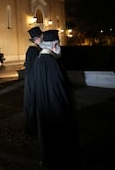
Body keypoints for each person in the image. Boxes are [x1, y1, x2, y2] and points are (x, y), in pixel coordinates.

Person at [33, 29, 79, 168]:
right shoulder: (52, 62)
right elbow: (59, 89)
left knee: (46, 135)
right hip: (54, 107)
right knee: (57, 136)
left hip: (43, 105)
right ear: (54, 45)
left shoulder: (39, 59)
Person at [23, 26, 42, 136]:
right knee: (33, 104)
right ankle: (33, 127)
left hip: (32, 80)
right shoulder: (33, 51)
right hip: (33, 81)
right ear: (37, 39)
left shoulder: (33, 50)